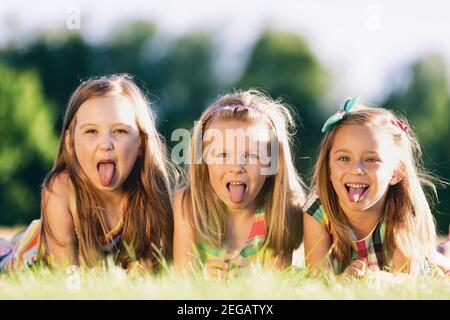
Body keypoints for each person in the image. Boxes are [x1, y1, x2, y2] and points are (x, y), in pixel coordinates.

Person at [0, 74, 173, 272]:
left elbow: (154, 268)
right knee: (6, 253)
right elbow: (66, 274)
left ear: (141, 143)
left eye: (119, 131)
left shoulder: (150, 195)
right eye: (91, 131)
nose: (105, 144)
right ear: (70, 142)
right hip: (33, 254)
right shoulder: (60, 189)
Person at [303, 97, 450, 277]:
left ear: (396, 172)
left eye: (371, 159)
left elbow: (403, 279)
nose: (356, 169)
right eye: (343, 158)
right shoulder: (317, 210)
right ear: (329, 168)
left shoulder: (404, 209)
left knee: (439, 261)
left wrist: (374, 278)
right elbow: (315, 274)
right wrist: (341, 279)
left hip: (418, 261)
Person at [173, 90, 305, 279]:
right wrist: (204, 279)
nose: (236, 167)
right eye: (223, 155)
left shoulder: (281, 211)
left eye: (251, 155)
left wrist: (251, 279)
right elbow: (182, 279)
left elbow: (275, 287)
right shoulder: (188, 205)